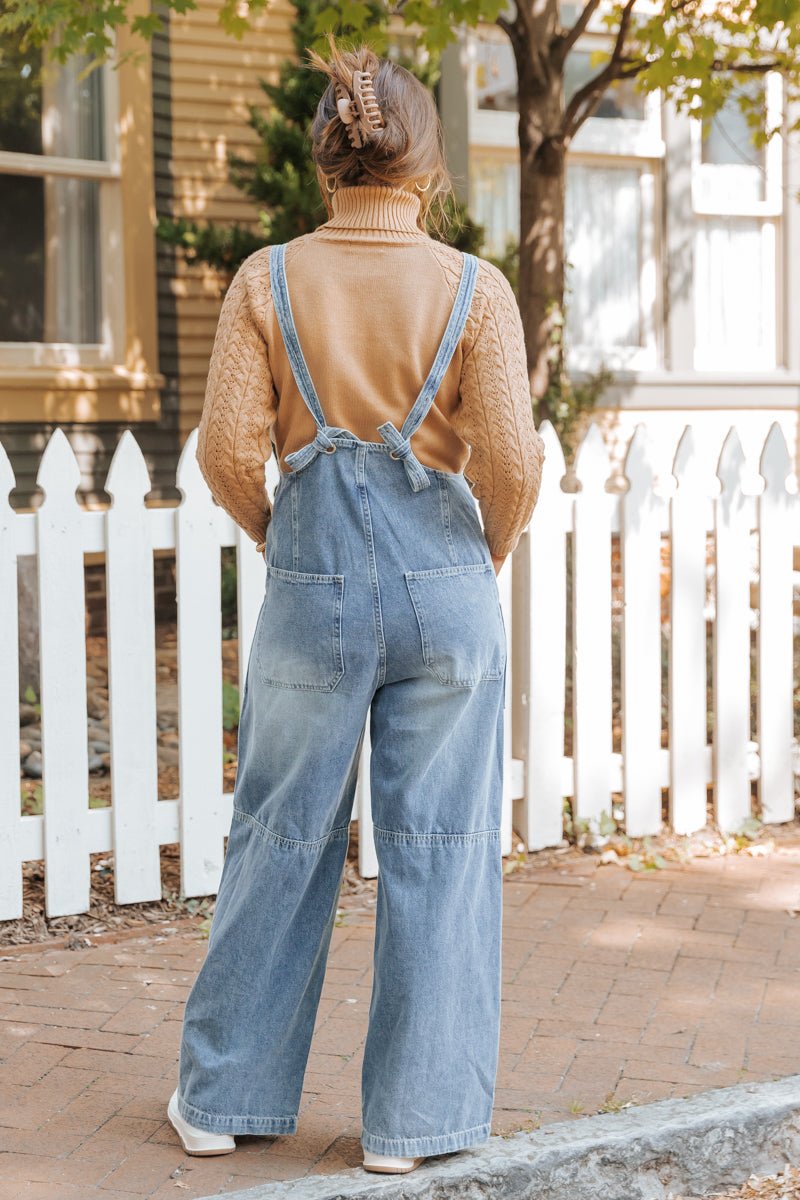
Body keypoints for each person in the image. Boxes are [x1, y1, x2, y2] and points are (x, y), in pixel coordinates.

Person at [167, 35, 545, 1176]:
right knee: (438, 844)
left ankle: (221, 1098)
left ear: (326, 158)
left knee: (279, 836)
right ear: (423, 168)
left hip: (312, 591)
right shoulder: (474, 290)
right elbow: (513, 461)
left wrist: (280, 534)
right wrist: (482, 555)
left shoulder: (264, 278)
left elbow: (228, 449)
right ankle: (411, 1127)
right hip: (446, 590)